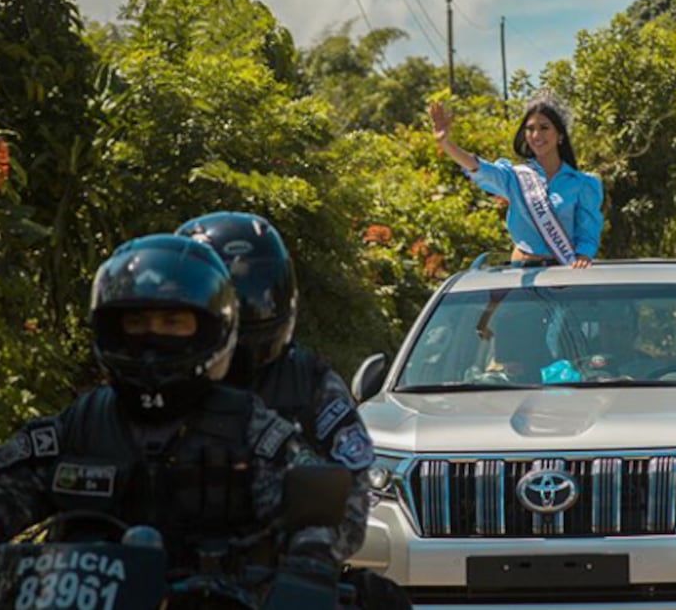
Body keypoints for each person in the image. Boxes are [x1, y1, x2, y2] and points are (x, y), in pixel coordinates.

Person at [0, 234, 346, 577]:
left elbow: (313, 516)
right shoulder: (80, 426)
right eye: (136, 323)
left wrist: (308, 569)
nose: (152, 338)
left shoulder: (251, 429)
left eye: (173, 322)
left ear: (212, 329)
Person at [175, 212, 409, 608]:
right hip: (165, 563)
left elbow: (352, 496)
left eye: (252, 287)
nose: (246, 306)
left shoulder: (310, 384)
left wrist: (307, 551)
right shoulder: (154, 382)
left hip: (272, 575)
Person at [428, 94, 603, 268]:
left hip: (562, 273)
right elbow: (479, 168)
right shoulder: (516, 177)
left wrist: (583, 257)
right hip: (522, 274)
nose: (536, 135)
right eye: (530, 129)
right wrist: (446, 143)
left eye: (544, 127)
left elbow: (587, 233)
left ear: (560, 134)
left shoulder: (583, 184)